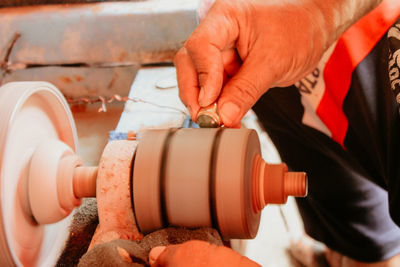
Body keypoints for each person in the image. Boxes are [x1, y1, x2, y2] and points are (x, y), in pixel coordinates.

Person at [150, 0, 400, 266]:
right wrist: (316, 14)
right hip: (290, 38)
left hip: (371, 57)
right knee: (351, 225)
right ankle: (352, 253)